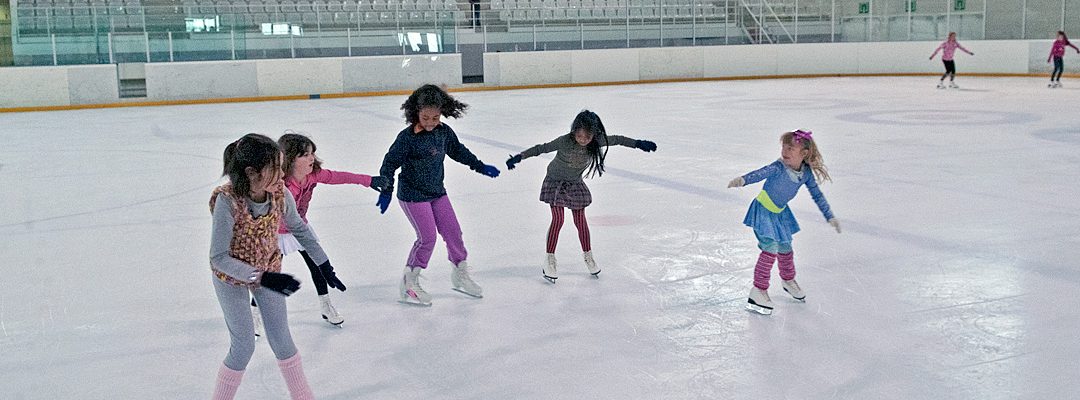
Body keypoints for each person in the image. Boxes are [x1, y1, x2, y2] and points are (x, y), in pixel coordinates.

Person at [209, 133, 326, 400]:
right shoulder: (227, 200)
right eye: (275, 169)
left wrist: (324, 262)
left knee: (283, 342)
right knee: (243, 347)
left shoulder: (279, 193)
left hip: (267, 268)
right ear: (252, 173)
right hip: (231, 277)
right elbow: (218, 257)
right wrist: (261, 277)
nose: (282, 175)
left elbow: (299, 227)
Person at [374, 84, 500, 306]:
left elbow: (458, 151)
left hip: (437, 192)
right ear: (416, 112)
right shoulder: (407, 138)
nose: (431, 122)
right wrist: (386, 189)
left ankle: (460, 274)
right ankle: (409, 283)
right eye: (425, 117)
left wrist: (479, 166)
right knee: (427, 238)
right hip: (412, 195)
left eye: (435, 117)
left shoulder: (443, 132)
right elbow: (389, 163)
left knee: (454, 233)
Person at [505, 110, 657, 283]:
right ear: (574, 132)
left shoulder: (597, 141)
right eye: (580, 135)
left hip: (575, 183)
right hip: (555, 181)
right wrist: (519, 157)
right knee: (558, 219)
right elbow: (542, 148)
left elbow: (619, 139)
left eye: (587, 136)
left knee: (580, 221)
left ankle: (588, 256)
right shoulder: (564, 141)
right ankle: (549, 259)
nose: (583, 140)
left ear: (594, 134)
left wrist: (638, 143)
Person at [271, 132, 388, 325]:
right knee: (272, 272)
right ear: (290, 159)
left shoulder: (313, 175)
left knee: (317, 267)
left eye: (312, 153)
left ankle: (326, 305)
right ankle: (256, 313)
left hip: (301, 228)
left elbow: (339, 177)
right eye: (305, 155)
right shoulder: (279, 184)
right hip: (276, 233)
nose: (312, 158)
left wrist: (369, 181)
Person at [727, 130, 840, 315]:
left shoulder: (805, 173)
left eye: (790, 148)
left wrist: (829, 215)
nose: (784, 151)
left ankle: (788, 280)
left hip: (780, 213)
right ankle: (758, 290)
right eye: (783, 147)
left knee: (786, 247)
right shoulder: (778, 167)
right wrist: (743, 180)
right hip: (763, 211)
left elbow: (817, 195)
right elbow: (760, 173)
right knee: (770, 248)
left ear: (803, 153)